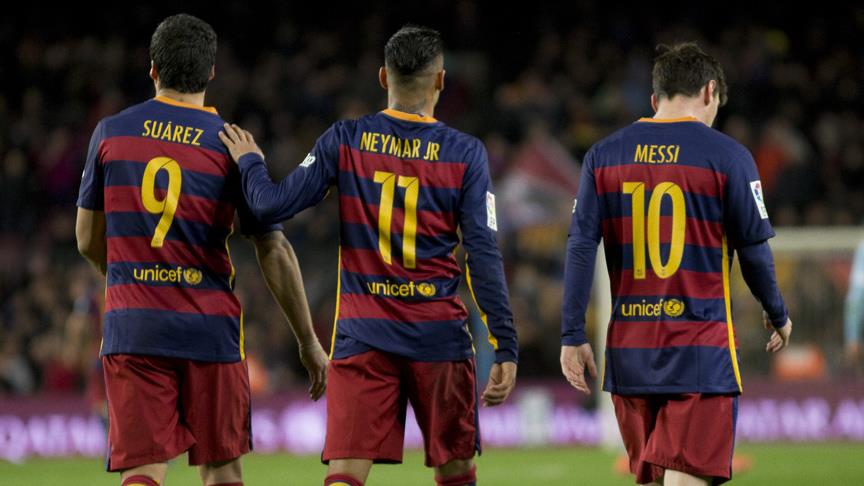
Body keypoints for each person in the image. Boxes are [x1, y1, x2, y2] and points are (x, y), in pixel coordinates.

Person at [219, 24, 518, 486]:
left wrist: (250, 162)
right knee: (456, 470)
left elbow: (269, 207)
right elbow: (482, 254)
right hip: (439, 336)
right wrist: (505, 343)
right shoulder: (466, 154)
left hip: (364, 335)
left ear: (383, 77)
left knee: (346, 472)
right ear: (441, 80)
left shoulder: (346, 139)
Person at [75, 14, 328, 486]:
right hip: (209, 329)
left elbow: (86, 239)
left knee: (142, 469)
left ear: (153, 68)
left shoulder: (110, 132)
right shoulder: (232, 145)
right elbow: (273, 248)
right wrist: (308, 341)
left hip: (134, 327)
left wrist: (132, 280)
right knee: (222, 468)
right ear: (212, 72)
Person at [559, 42, 793, 486]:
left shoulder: (602, 156)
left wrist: (572, 333)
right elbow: (754, 251)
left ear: (655, 98)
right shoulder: (729, 156)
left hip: (629, 355)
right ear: (709, 92)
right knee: (686, 480)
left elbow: (580, 246)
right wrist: (777, 312)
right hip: (699, 350)